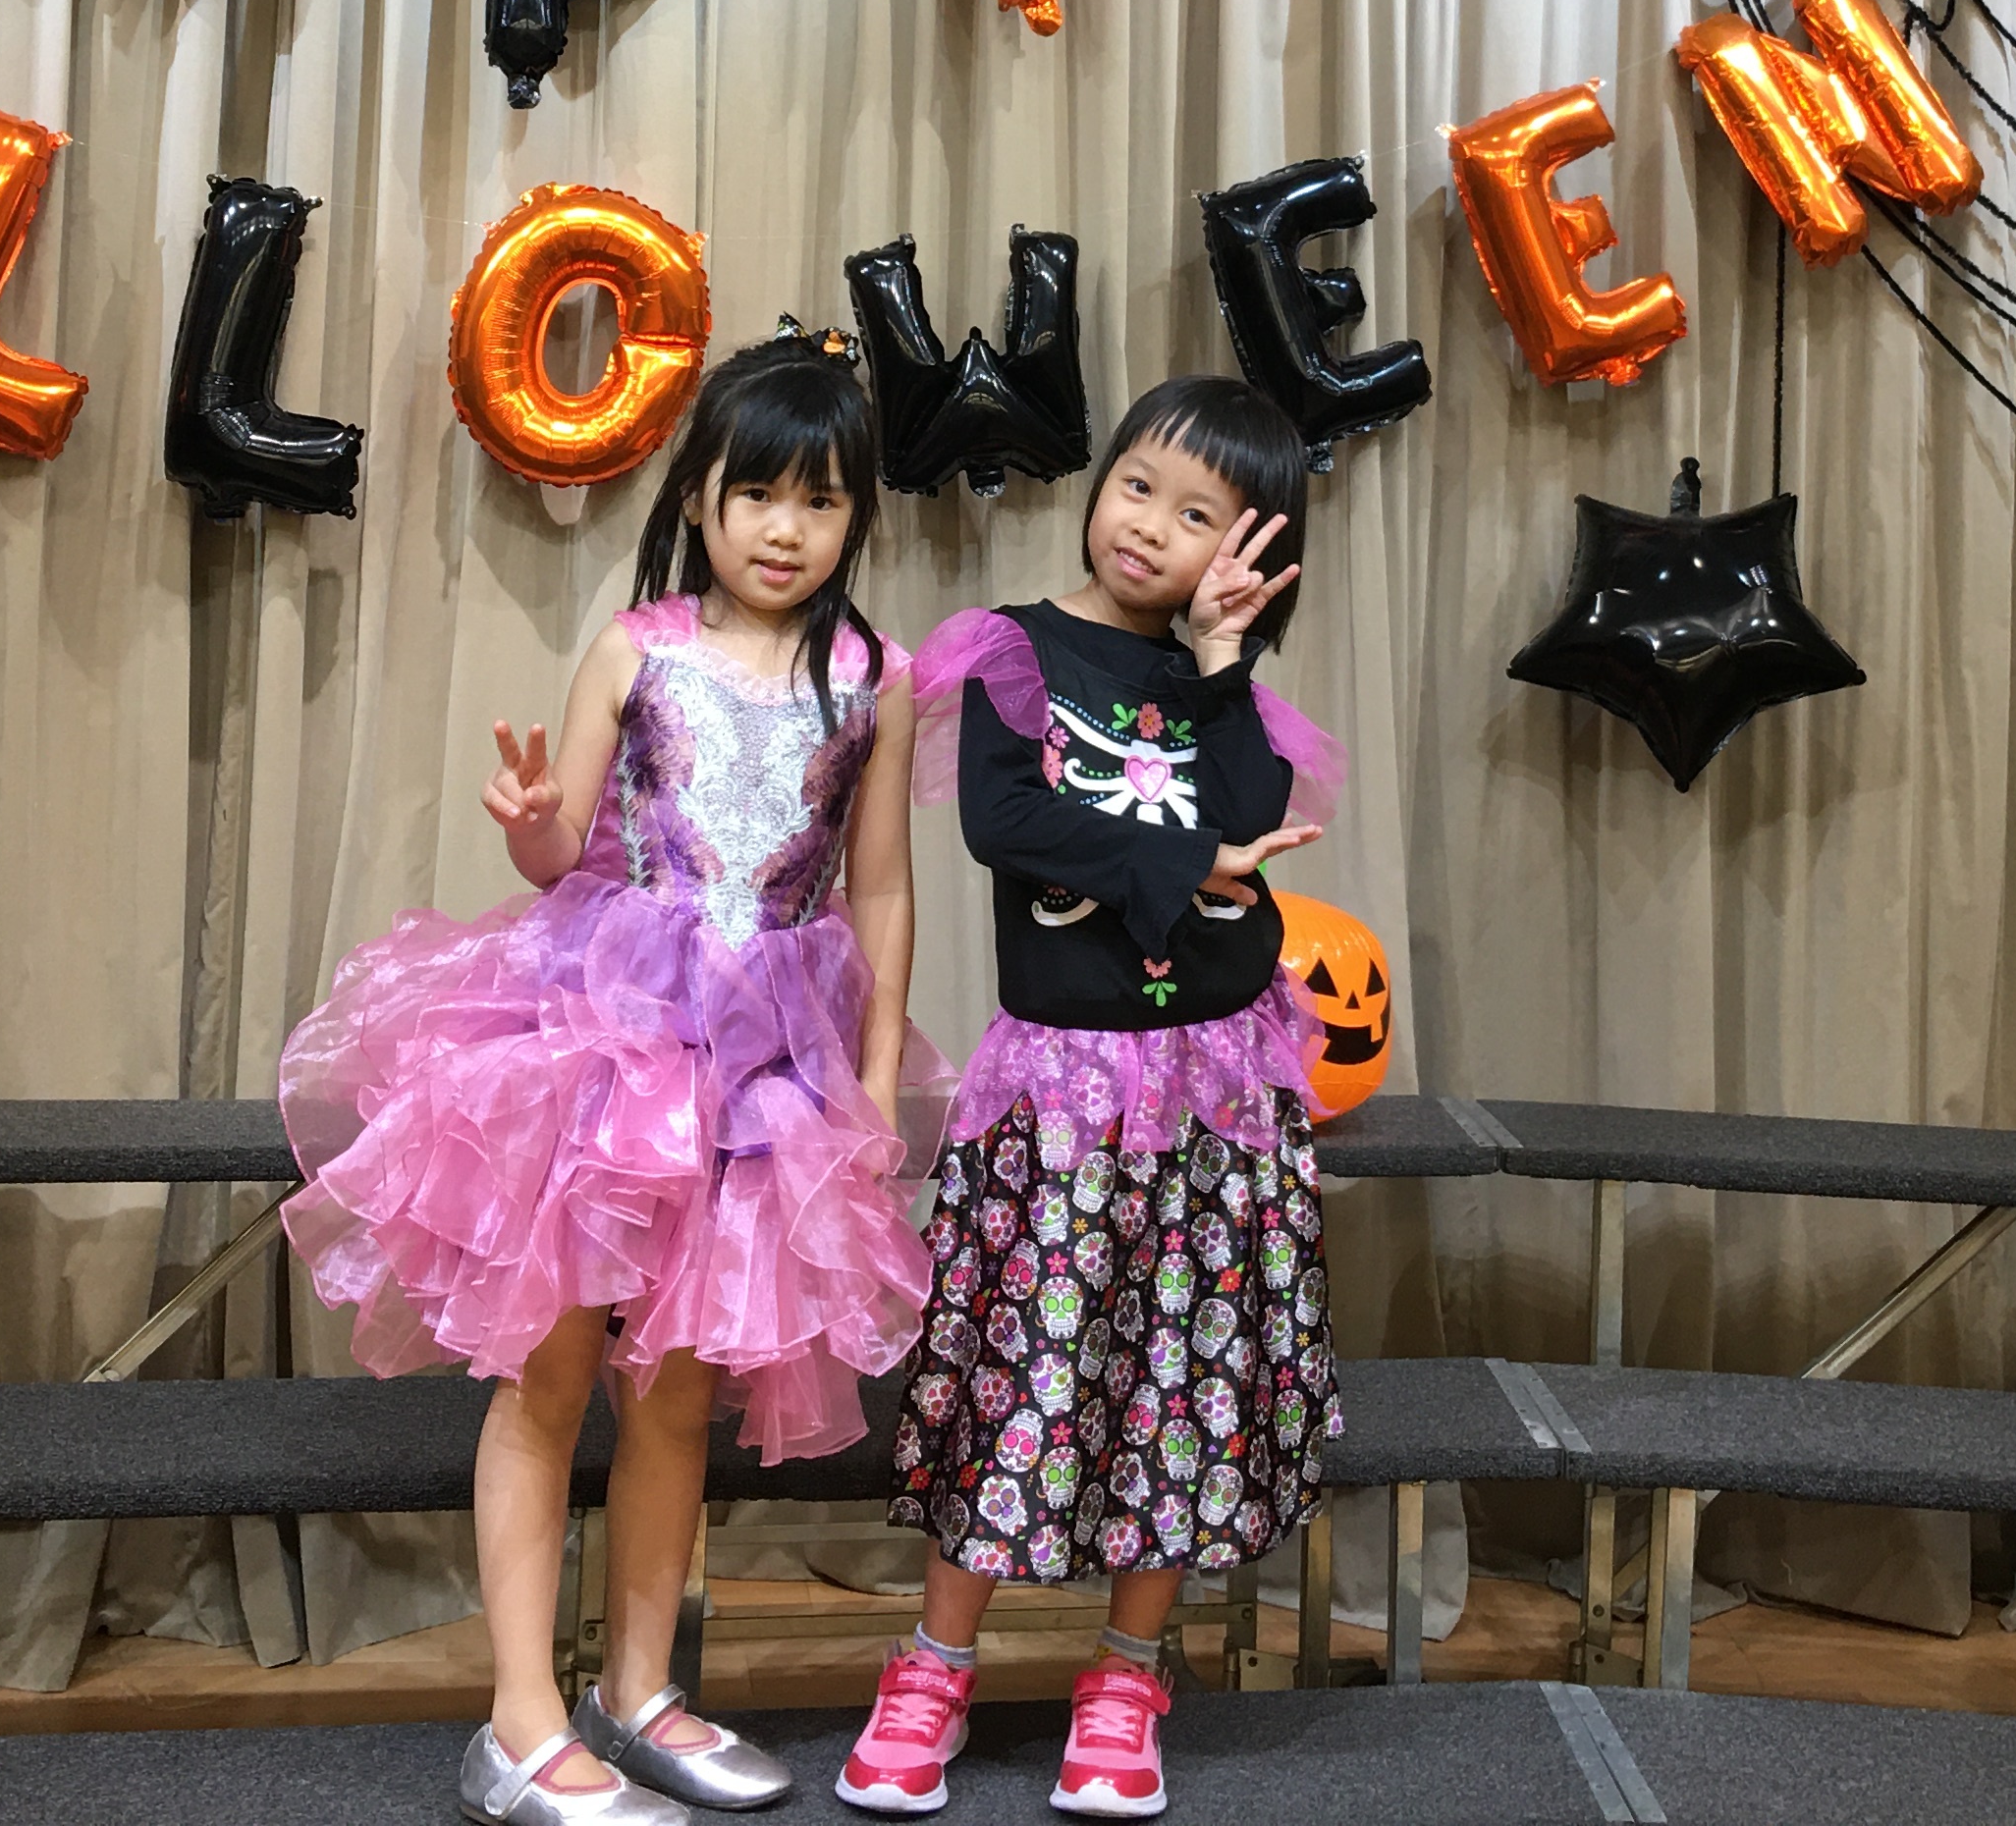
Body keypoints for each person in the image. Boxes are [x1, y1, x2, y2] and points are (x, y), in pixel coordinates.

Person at [284, 331, 931, 1826]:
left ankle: (639, 1694)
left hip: (766, 1068)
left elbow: (883, 887)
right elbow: (561, 844)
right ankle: (519, 1721)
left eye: (821, 501)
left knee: (680, 1392)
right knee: (552, 1370)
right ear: (699, 497)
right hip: (609, 1041)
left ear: (857, 518)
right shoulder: (640, 647)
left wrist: (880, 1071)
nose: (785, 529)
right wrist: (528, 823)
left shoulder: (877, 681)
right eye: (756, 493)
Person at [842, 375, 1345, 1819]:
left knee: (1183, 1369)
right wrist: (1183, 869)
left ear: (1248, 553)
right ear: (1100, 480)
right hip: (1064, 1085)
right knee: (1021, 1361)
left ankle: (1128, 1676)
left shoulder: (1221, 687)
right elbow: (1007, 822)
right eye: (1137, 487)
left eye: (1197, 518)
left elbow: (1250, 815)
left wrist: (1222, 663)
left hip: (1216, 1087)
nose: (1149, 527)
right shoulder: (1012, 648)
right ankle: (936, 1664)